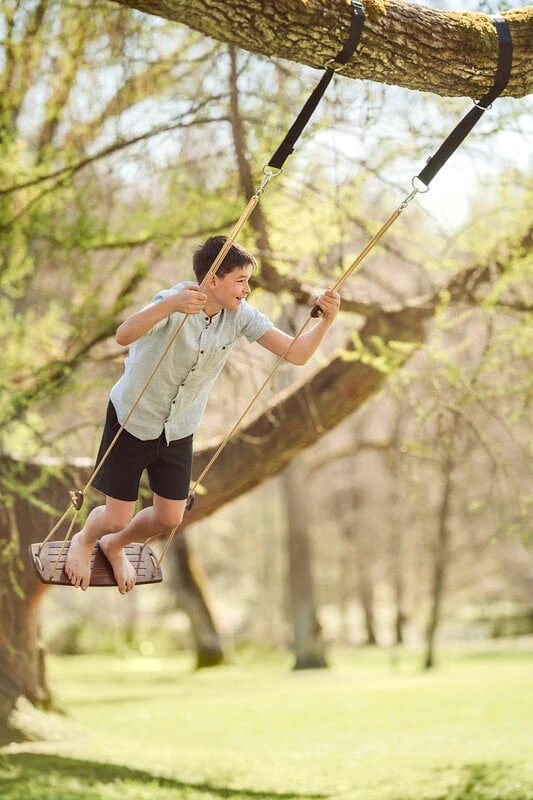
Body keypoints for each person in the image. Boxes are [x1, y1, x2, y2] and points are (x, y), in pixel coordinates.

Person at [65, 235, 340, 593]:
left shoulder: (240, 315)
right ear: (213, 280)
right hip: (133, 419)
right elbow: (123, 335)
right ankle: (86, 539)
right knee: (117, 517)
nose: (247, 289)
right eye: (240, 280)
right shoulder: (172, 301)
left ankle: (114, 546)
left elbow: (296, 353)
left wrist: (325, 322)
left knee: (169, 517)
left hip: (178, 428)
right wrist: (170, 306)